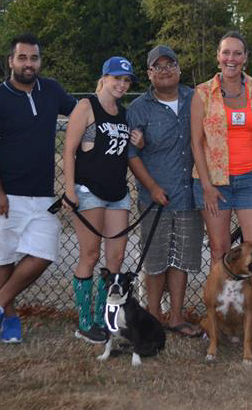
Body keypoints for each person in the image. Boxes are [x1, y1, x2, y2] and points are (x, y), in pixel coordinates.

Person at [0, 33, 77, 344]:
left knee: (44, 253)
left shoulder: (52, 91)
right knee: (2, 257)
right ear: (11, 61)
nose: (29, 64)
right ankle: (8, 318)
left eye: (33, 58)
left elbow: (80, 113)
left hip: (42, 194)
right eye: (22, 58)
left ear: (39, 61)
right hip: (5, 193)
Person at [191, 31, 252, 347]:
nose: (231, 59)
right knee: (220, 252)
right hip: (216, 182)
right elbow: (196, 142)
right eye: (226, 53)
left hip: (251, 180)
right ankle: (219, 320)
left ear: (245, 57)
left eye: (237, 53)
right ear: (218, 56)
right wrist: (206, 185)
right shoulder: (202, 93)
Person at [63, 56, 142, 343]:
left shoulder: (123, 113)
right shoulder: (87, 106)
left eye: (126, 80)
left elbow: (128, 150)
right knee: (90, 254)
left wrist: (139, 142)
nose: (121, 84)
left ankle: (104, 317)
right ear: (104, 77)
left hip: (117, 193)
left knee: (116, 258)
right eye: (117, 78)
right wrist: (69, 190)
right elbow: (69, 150)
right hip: (89, 190)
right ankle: (85, 322)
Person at [127, 45, 205, 337]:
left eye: (169, 64)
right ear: (149, 73)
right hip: (155, 198)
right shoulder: (138, 109)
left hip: (188, 194)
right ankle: (152, 317)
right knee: (156, 259)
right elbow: (131, 155)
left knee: (181, 258)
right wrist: (152, 187)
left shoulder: (195, 99)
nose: (164, 70)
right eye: (157, 67)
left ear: (178, 68)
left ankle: (176, 316)